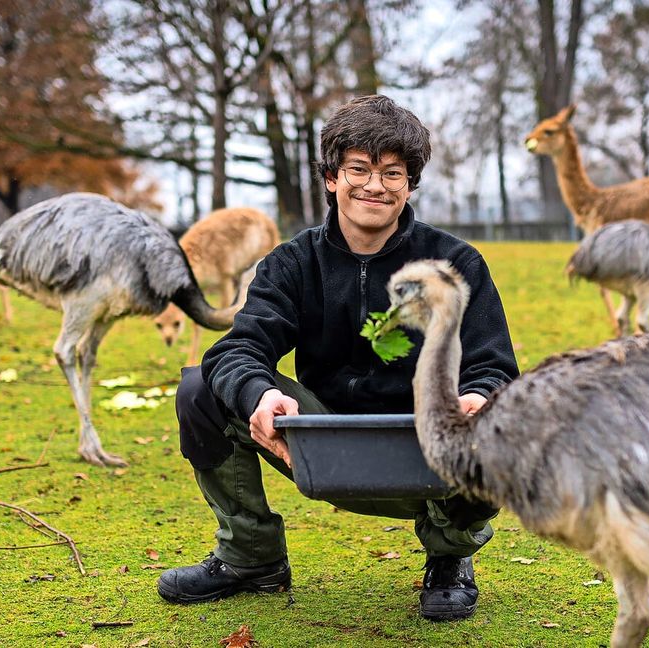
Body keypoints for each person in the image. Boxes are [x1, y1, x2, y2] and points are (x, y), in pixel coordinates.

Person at [157, 95, 519, 621]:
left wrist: (478, 397)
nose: (375, 185)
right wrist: (261, 395)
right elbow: (239, 348)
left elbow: (494, 367)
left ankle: (449, 554)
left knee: (501, 417)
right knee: (200, 389)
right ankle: (250, 557)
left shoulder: (457, 263)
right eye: (359, 169)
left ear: (410, 185)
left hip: (425, 445)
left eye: (393, 173)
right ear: (331, 177)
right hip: (321, 440)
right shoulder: (291, 263)